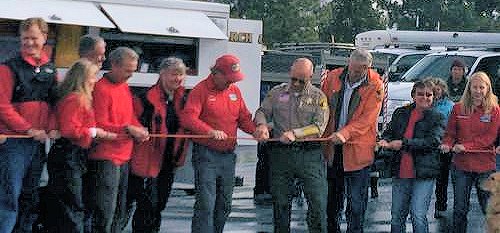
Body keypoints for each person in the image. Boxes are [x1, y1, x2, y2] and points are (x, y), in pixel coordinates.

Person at [180, 54, 259, 233]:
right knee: (206, 204)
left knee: (224, 203)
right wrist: (209, 131)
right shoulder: (200, 90)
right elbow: (188, 118)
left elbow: (244, 118)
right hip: (206, 154)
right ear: (216, 73)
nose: (232, 83)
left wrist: (255, 131)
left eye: (234, 79)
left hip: (228, 156)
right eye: (229, 79)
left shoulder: (234, 91)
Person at [254, 58, 329, 233]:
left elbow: (319, 127)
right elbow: (262, 112)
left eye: (301, 80)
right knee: (280, 204)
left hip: (309, 155)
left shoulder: (319, 97)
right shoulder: (277, 92)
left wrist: (296, 134)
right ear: (290, 72)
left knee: (317, 202)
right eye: (293, 78)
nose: (296, 83)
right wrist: (262, 125)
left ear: (311, 76)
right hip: (281, 155)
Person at [0, 17, 58, 233]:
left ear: (44, 38)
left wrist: (52, 127)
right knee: (8, 196)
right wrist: (28, 129)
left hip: (38, 143)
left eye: (34, 38)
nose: (29, 43)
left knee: (30, 194)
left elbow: (55, 103)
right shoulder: (8, 68)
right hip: (14, 143)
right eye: (25, 38)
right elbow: (3, 106)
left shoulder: (50, 70)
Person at [46, 59, 116, 232]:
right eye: (92, 76)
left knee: (72, 203)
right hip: (69, 154)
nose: (95, 80)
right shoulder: (76, 99)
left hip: (72, 154)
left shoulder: (73, 98)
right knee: (72, 204)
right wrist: (94, 132)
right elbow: (70, 130)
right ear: (83, 78)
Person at [321, 48, 384, 233]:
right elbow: (322, 107)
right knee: (332, 200)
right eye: (353, 68)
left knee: (356, 203)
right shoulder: (333, 77)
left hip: (359, 152)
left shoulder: (376, 85)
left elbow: (367, 119)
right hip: (333, 149)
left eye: (361, 70)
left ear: (368, 67)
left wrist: (344, 134)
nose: (355, 73)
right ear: (349, 63)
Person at [87, 47, 149, 233]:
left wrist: (139, 128)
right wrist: (128, 129)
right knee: (105, 209)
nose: (131, 75)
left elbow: (129, 116)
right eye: (128, 70)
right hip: (105, 156)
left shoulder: (124, 87)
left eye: (133, 70)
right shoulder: (100, 88)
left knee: (120, 209)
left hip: (124, 154)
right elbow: (98, 123)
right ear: (114, 65)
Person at [127, 57, 189, 233]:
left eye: (181, 75)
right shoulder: (145, 99)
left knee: (159, 204)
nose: (178, 78)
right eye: (174, 74)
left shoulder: (183, 100)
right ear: (162, 74)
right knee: (147, 205)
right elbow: (130, 120)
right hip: (147, 160)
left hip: (169, 161)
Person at [379, 80, 445, 233]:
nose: (424, 97)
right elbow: (389, 132)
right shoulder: (400, 113)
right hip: (401, 172)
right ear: (413, 96)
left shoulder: (438, 117)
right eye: (420, 94)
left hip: (424, 174)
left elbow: (433, 141)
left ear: (434, 97)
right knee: (396, 216)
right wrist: (386, 140)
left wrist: (403, 143)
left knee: (418, 215)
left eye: (429, 95)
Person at [440, 71, 500, 233]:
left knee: (489, 210)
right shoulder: (458, 108)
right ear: (469, 88)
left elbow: (490, 137)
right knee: (460, 210)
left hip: (485, 167)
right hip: (461, 167)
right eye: (475, 87)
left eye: (482, 87)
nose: (478, 91)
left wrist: (466, 146)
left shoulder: (494, 110)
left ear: (488, 88)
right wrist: (447, 144)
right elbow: (450, 133)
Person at [425, 77, 455, 219]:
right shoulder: (426, 103)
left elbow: (453, 126)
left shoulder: (450, 105)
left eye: (438, 89)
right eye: (433, 89)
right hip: (427, 145)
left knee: (442, 179)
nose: (436, 92)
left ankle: (441, 205)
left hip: (443, 146)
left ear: (443, 90)